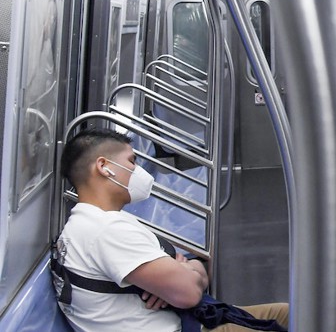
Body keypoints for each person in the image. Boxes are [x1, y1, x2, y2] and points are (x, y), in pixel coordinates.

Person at [54, 128, 289, 331]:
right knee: (290, 317)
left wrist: (181, 273)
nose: (138, 172)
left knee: (284, 313)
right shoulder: (106, 231)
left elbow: (191, 279)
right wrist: (183, 271)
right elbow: (188, 293)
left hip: (176, 320)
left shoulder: (84, 225)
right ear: (105, 167)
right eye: (131, 161)